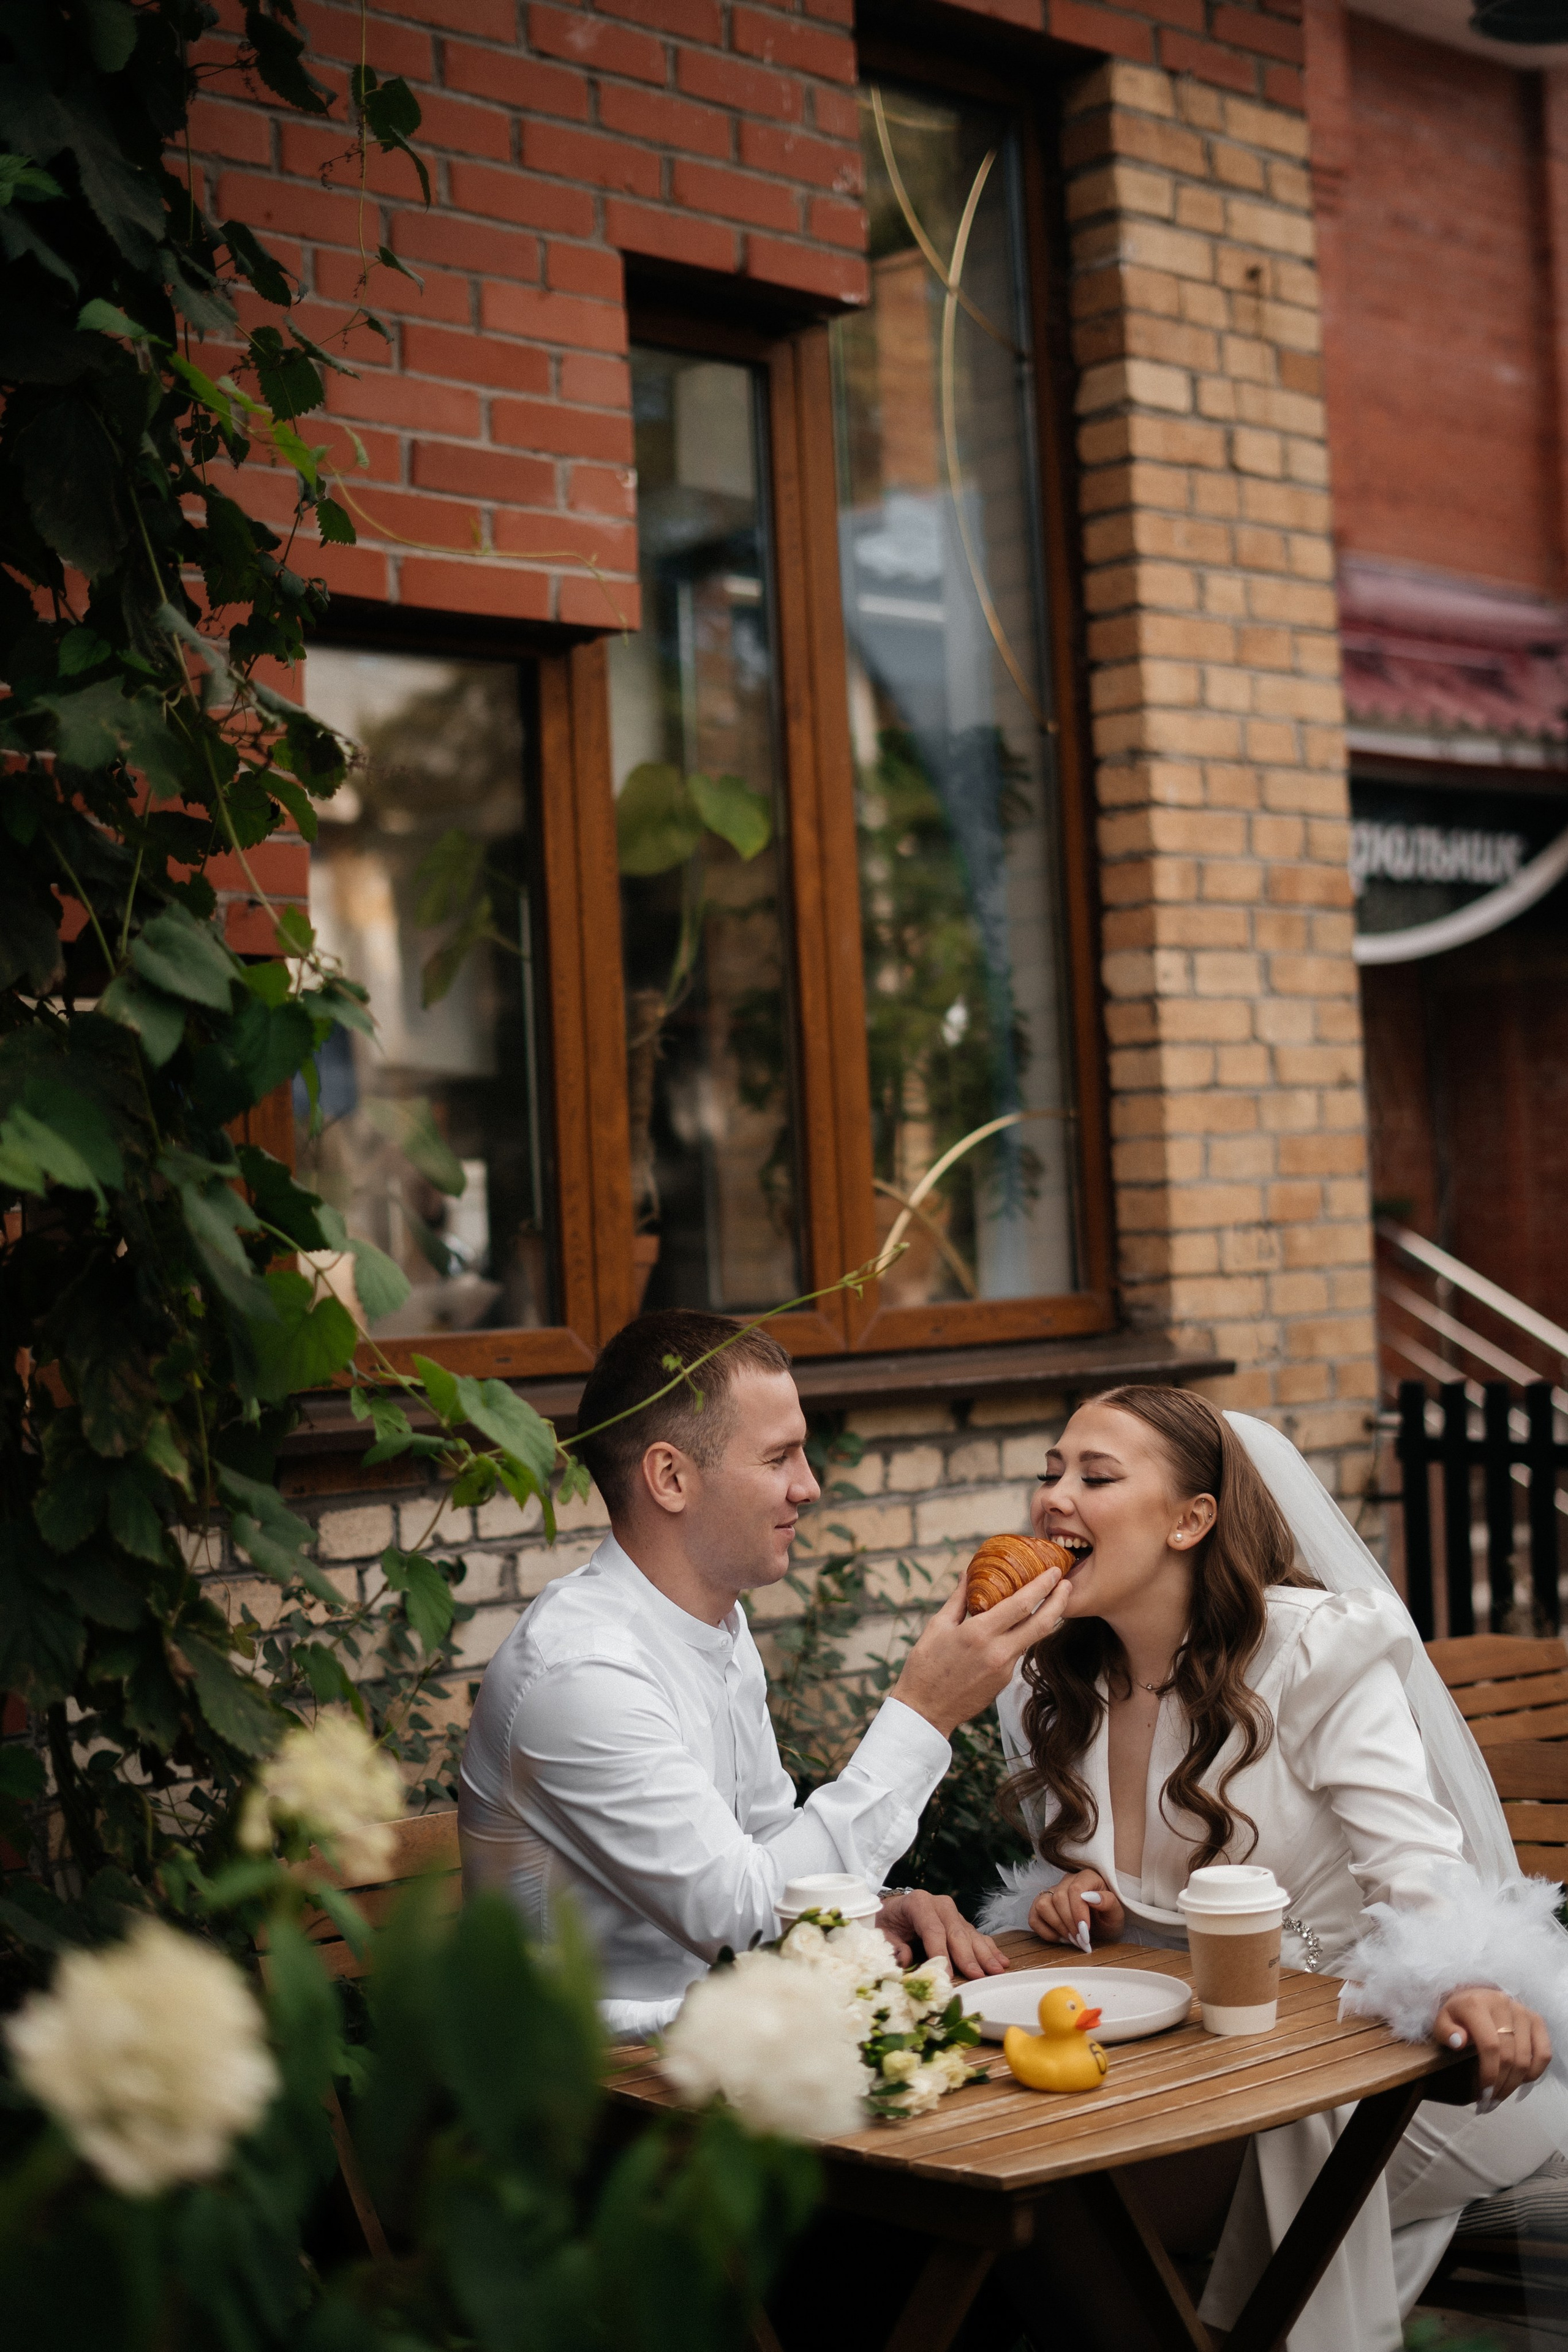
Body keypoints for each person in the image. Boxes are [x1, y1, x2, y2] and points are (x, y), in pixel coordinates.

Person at [980, 1385, 1568, 2352]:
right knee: (1011, 2184)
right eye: (1050, 1473)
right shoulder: (1065, 1682)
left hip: (1389, 2078)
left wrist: (1463, 1981)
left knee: (1063, 2205)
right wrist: (1074, 1902)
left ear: (1190, 1520)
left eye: (1095, 1475)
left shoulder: (1314, 1650)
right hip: (1200, 2069)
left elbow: (1419, 1869)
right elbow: (1122, 1908)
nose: (1054, 1498)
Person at [459, 1308, 1066, 2038]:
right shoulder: (584, 1676)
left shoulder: (715, 1620)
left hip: (722, 2055)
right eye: (778, 1458)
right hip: (588, 2097)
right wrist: (924, 1711)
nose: (807, 1487)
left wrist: (872, 1908)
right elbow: (745, 1921)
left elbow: (765, 1845)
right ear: (670, 1477)